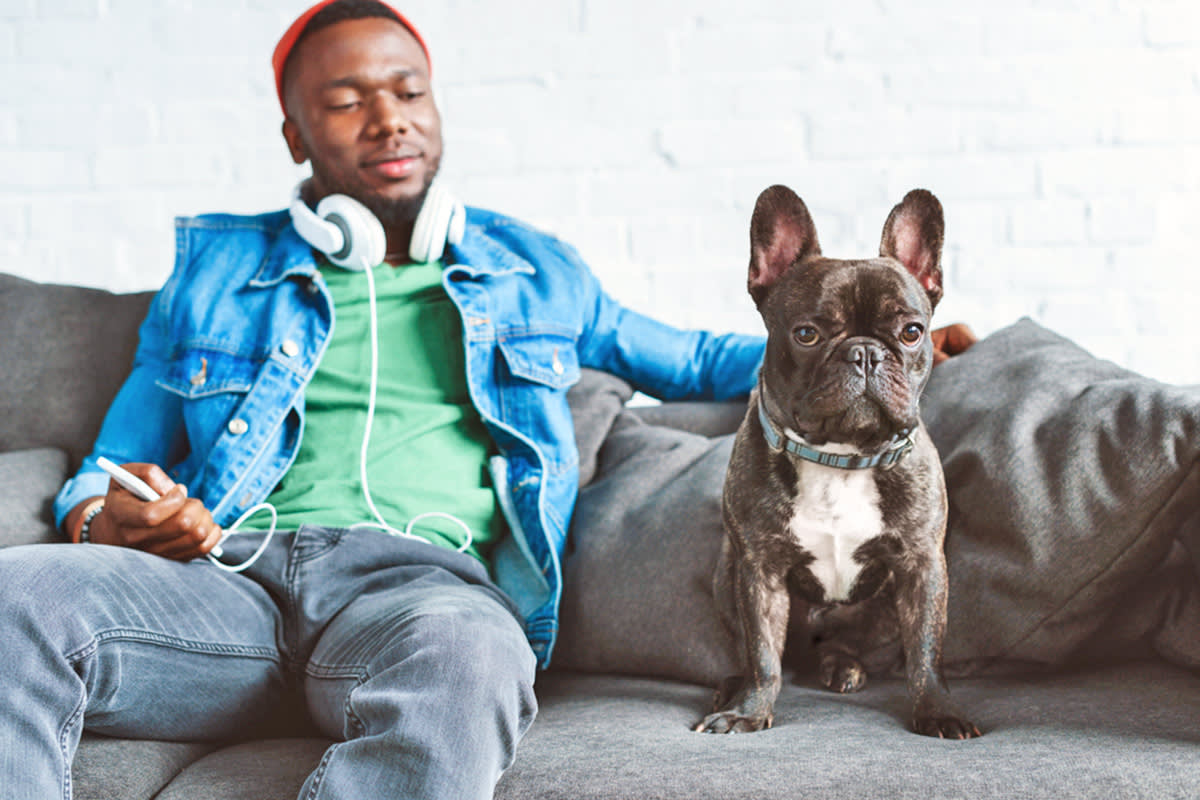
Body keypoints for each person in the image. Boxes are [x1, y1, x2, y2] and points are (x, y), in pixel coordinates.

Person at [0, 2, 766, 798]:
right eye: (345, 101)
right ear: (295, 136)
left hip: (421, 594)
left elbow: (700, 361)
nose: (390, 120)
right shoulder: (214, 277)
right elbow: (106, 471)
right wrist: (108, 520)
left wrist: (848, 343)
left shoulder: (534, 272)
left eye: (409, 93)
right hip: (226, 584)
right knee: (15, 594)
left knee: (472, 658)